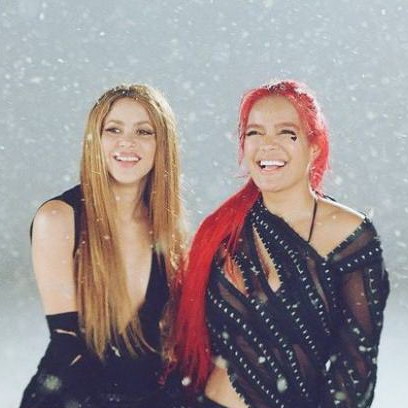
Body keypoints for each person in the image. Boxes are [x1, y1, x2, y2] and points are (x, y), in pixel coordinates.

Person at [174, 80, 389, 407]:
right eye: (255, 133)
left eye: (287, 133)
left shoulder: (349, 236)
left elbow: (355, 368)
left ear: (314, 146)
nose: (267, 145)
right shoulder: (221, 231)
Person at [20, 84, 186, 408]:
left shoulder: (169, 233)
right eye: (113, 129)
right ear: (95, 139)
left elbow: (166, 353)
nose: (127, 142)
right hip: (69, 398)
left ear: (162, 144)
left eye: (143, 131)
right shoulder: (57, 219)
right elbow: (68, 348)